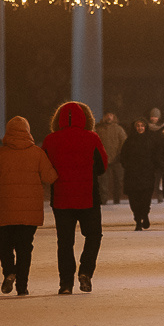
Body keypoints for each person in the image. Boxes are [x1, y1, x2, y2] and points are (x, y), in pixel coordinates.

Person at [0, 115, 56, 297]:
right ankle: (22, 285)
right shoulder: (37, 153)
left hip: (5, 208)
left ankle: (9, 272)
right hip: (30, 210)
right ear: (28, 132)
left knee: (4, 244)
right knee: (24, 247)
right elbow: (50, 177)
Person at [44, 101, 108, 294]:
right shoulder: (92, 138)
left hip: (61, 199)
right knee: (93, 235)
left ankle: (65, 283)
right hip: (88, 197)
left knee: (65, 242)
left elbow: (44, 169)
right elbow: (102, 166)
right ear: (86, 118)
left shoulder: (50, 140)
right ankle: (86, 272)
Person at [120, 117, 158, 229]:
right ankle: (137, 220)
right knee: (134, 199)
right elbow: (123, 156)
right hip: (132, 175)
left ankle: (145, 215)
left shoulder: (151, 140)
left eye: (142, 126)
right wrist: (127, 166)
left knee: (145, 199)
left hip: (147, 174)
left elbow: (156, 156)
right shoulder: (129, 141)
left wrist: (153, 167)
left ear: (145, 127)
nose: (140, 128)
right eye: (138, 126)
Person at [97, 112, 128, 205]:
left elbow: (124, 143)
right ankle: (103, 200)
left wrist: (120, 155)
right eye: (107, 115)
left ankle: (117, 199)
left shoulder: (119, 129)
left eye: (111, 115)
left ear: (114, 116)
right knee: (103, 182)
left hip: (117, 160)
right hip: (103, 159)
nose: (109, 117)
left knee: (118, 181)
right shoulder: (98, 129)